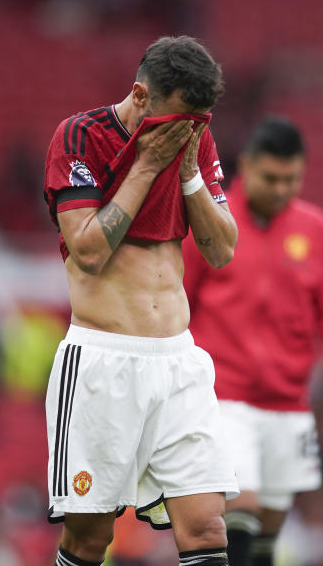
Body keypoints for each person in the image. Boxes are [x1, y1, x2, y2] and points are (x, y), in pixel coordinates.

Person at [41, 36, 239, 566]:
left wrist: (190, 165)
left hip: (179, 362)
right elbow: (86, 251)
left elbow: (221, 250)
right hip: (103, 361)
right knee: (89, 539)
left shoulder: (194, 140)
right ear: (141, 95)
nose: (187, 133)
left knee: (206, 527)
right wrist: (148, 165)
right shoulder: (81, 136)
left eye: (198, 123)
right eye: (178, 121)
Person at [182, 117, 323, 566]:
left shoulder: (318, 232)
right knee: (240, 509)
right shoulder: (214, 221)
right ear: (245, 165)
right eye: (271, 178)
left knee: (267, 535)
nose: (282, 189)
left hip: (288, 404)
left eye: (292, 179)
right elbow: (179, 300)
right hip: (222, 395)